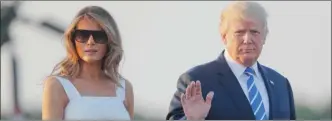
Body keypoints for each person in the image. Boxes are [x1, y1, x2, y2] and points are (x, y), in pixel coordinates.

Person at [166, 1, 296, 120]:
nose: (247, 39)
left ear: (265, 35)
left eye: (254, 32)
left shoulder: (280, 84)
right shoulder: (197, 81)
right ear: (224, 37)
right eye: (240, 32)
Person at [42, 6, 134, 120]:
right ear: (73, 39)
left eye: (99, 36)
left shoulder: (124, 88)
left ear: (110, 41)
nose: (90, 42)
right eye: (83, 35)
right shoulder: (58, 85)